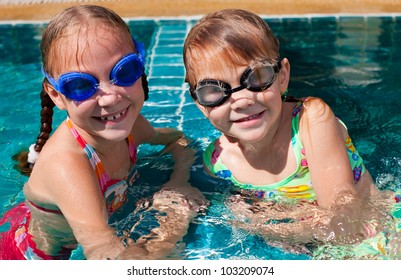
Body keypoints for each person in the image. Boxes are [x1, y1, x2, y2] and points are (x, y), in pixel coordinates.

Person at [0, 5, 206, 260]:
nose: (110, 98)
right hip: (32, 257)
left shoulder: (132, 128)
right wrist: (171, 225)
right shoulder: (67, 165)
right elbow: (103, 252)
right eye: (80, 85)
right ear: (56, 95)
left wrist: (178, 182)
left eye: (124, 71)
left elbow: (180, 140)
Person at [182, 8, 397, 250]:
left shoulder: (312, 120)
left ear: (282, 76)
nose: (242, 100)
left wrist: (265, 221)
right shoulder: (218, 163)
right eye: (215, 90)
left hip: (379, 230)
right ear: (200, 104)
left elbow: (342, 213)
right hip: (316, 247)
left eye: (256, 77)